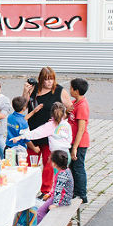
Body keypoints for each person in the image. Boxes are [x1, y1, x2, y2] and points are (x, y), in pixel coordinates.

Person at [26, 67, 73, 195]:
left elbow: (69, 108)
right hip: (34, 132)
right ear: (41, 80)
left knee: (48, 164)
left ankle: (45, 190)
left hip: (50, 135)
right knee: (30, 163)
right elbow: (24, 106)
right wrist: (25, 92)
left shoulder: (59, 91)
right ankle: (28, 189)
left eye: (51, 79)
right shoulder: (34, 89)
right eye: (46, 80)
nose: (49, 82)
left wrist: (60, 120)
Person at [33, 150, 74, 226]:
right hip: (62, 198)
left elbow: (58, 191)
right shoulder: (66, 170)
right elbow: (57, 188)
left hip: (62, 200)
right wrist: (50, 194)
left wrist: (55, 205)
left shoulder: (61, 175)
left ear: (54, 164)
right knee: (43, 207)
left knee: (40, 212)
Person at [68, 78, 90, 203]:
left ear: (76, 90)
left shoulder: (82, 106)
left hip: (80, 143)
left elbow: (81, 129)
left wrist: (75, 147)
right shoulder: (75, 103)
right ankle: (74, 191)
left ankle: (81, 194)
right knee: (72, 167)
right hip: (71, 141)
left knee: (78, 167)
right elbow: (68, 115)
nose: (69, 90)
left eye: (71, 88)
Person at [6, 96, 37, 161]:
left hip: (8, 147)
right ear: (24, 108)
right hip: (18, 151)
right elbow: (26, 139)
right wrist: (34, 148)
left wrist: (33, 112)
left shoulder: (10, 117)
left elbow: (22, 118)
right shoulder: (23, 123)